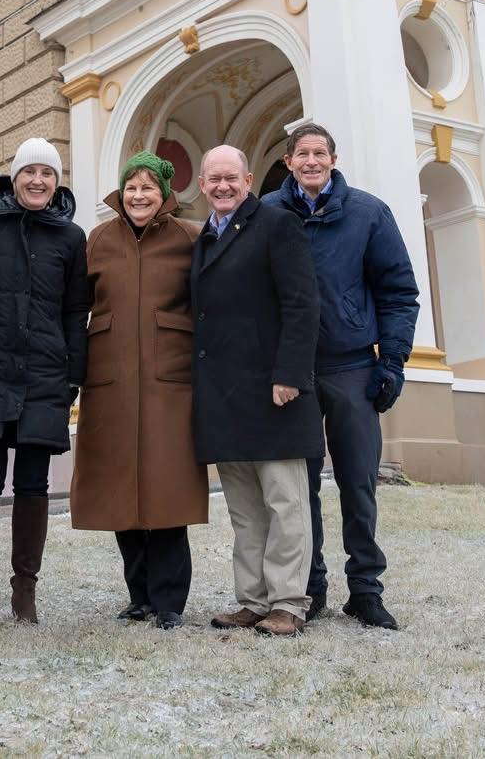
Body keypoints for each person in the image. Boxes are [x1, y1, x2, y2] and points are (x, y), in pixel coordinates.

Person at [272, 123, 420, 631]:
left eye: (320, 153)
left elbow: (398, 292)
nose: (311, 161)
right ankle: (310, 590)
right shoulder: (269, 214)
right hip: (293, 374)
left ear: (332, 159)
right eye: (302, 154)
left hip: (353, 367)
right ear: (288, 161)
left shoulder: (369, 213)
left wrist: (392, 362)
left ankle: (366, 591)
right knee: (301, 487)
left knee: (358, 483)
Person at [0, 138, 90, 626]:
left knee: (33, 483)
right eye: (29, 172)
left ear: (56, 183)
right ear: (14, 177)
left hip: (44, 373)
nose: (37, 181)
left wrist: (75, 372)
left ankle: (24, 592)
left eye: (47, 174)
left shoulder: (71, 238)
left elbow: (77, 309)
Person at [70, 151, 207, 630]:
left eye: (148, 187)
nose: (139, 195)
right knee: (120, 489)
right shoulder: (99, 240)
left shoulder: (190, 238)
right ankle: (139, 595)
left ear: (165, 193)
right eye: (132, 187)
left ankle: (169, 601)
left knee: (167, 489)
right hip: (110, 381)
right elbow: (77, 307)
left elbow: (207, 306)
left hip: (172, 382)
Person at [190, 144, 321, 638]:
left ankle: (288, 602)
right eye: (213, 179)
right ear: (202, 186)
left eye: (231, 178)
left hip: (273, 392)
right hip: (225, 396)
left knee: (285, 505)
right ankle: (254, 599)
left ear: (248, 180)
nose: (223, 186)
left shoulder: (276, 223)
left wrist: (290, 374)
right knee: (245, 510)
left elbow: (303, 304)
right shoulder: (205, 237)